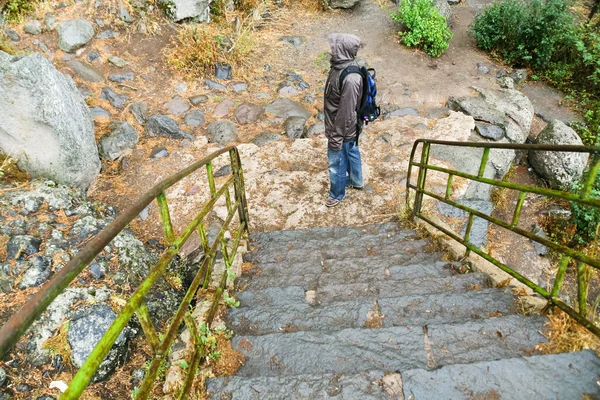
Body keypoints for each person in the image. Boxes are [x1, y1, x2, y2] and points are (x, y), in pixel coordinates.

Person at [323, 33, 364, 208]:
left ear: (341, 50)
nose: (330, 48)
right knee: (352, 151)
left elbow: (346, 113)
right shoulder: (340, 66)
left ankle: (337, 194)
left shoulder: (350, 78)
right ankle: (357, 180)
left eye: (333, 46)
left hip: (342, 127)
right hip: (347, 127)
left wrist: (335, 138)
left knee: (336, 160)